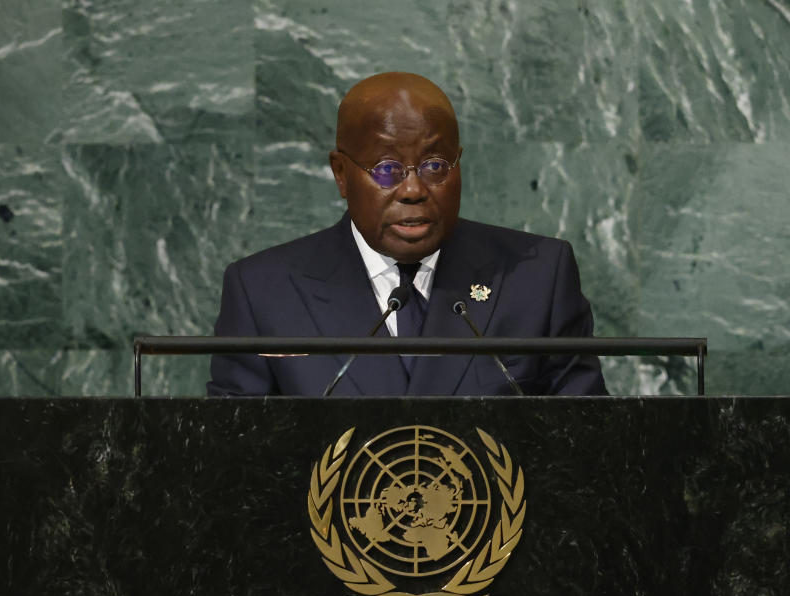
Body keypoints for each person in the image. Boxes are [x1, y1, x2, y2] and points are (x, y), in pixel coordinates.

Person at [207, 72, 607, 396]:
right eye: (386, 169)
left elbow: (589, 449)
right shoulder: (264, 293)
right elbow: (238, 468)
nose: (414, 190)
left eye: (435, 165)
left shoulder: (536, 277)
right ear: (342, 175)